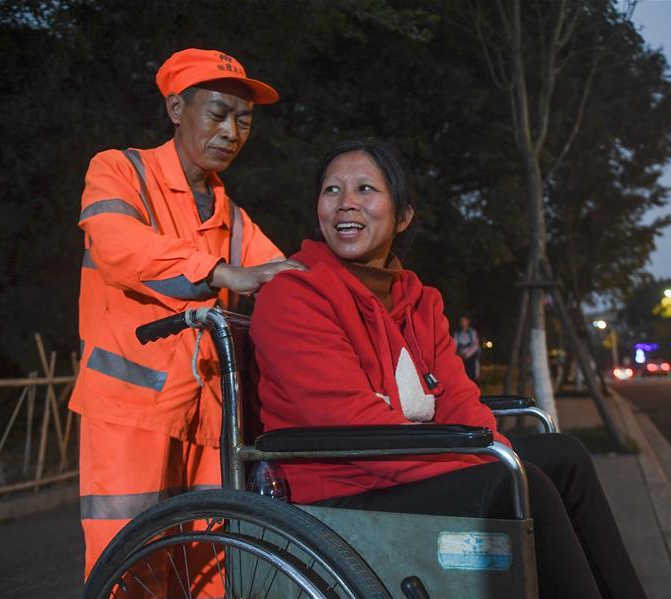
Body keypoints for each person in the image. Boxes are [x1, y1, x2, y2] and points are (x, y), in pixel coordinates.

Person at [250, 139, 645, 598]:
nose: (346, 203)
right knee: (520, 483)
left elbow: (458, 397)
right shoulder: (294, 295)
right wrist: (480, 464)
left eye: (365, 189)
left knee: (564, 456)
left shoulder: (420, 301)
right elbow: (350, 425)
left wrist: (489, 451)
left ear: (402, 217)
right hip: (340, 490)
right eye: (331, 190)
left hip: (406, 466)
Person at [69, 48, 306, 578]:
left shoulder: (231, 215)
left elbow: (281, 277)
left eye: (243, 121)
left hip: (209, 416)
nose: (232, 132)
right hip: (130, 410)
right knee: (128, 564)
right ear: (177, 109)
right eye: (218, 114)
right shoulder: (119, 170)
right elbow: (119, 248)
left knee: (210, 567)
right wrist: (221, 273)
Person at [454, 315, 481, 381]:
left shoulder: (472, 332)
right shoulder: (457, 333)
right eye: (461, 321)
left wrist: (466, 354)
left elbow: (475, 345)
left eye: (464, 321)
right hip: (460, 358)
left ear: (467, 322)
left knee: (472, 377)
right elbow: (455, 345)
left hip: (470, 358)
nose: (462, 322)